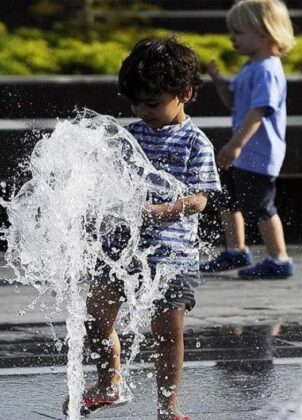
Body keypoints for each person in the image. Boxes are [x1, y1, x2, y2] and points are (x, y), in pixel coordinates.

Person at [64, 37, 221, 419]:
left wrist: (160, 210)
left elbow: (200, 199)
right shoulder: (129, 134)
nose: (142, 111)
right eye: (135, 103)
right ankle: (109, 382)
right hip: (121, 248)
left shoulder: (195, 142)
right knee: (96, 314)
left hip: (172, 256)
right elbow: (107, 182)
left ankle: (168, 408)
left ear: (184, 93)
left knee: (168, 334)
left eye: (152, 103)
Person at [200, 0, 295, 279]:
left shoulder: (267, 69)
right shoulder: (251, 67)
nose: (232, 38)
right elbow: (234, 102)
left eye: (239, 32)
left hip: (259, 154)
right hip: (243, 153)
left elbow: (259, 111)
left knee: (262, 207)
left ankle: (279, 259)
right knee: (227, 198)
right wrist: (219, 83)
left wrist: (236, 144)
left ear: (265, 32)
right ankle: (236, 250)